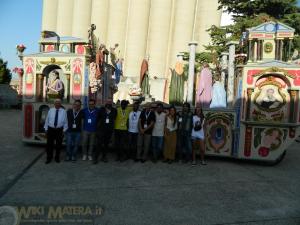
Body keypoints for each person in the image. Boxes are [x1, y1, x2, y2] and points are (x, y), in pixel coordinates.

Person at [44, 99, 68, 164]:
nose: (57, 104)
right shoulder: (50, 110)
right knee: (49, 145)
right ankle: (49, 158)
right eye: (56, 103)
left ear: (60, 104)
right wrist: (46, 129)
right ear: (54, 104)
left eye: (59, 103)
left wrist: (64, 130)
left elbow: (66, 122)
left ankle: (57, 157)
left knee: (58, 145)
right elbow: (47, 120)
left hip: (59, 130)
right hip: (50, 129)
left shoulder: (64, 111)